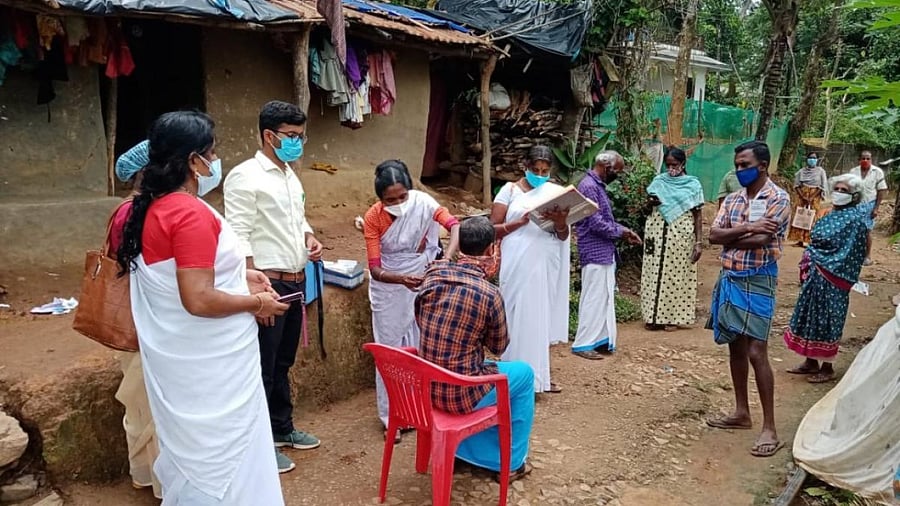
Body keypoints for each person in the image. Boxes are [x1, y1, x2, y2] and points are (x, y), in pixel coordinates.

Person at [117, 111, 288, 504]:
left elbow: (180, 273)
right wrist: (256, 302)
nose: (215, 162)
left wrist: (241, 278)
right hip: (213, 370)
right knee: (226, 459)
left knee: (198, 458)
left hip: (186, 367)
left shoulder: (151, 208)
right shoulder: (188, 212)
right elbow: (197, 298)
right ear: (194, 160)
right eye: (213, 153)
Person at [223, 100, 323, 473]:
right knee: (262, 367)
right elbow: (239, 236)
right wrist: (257, 297)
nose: (298, 143)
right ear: (269, 135)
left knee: (282, 362)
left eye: (301, 136)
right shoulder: (245, 176)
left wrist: (310, 237)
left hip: (296, 281)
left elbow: (298, 218)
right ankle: (260, 444)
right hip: (269, 283)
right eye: (292, 136)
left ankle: (282, 428)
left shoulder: (288, 175)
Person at [416, 216, 534, 482]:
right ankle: (511, 463)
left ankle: (462, 452)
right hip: (461, 392)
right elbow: (498, 346)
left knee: (488, 373)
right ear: (490, 251)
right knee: (524, 375)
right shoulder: (489, 293)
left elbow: (420, 320)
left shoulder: (432, 275)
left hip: (427, 387)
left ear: (459, 248)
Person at [363, 159, 460, 443]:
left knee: (421, 344)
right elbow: (376, 269)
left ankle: (420, 409)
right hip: (390, 288)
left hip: (424, 278)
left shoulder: (424, 203)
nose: (398, 203)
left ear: (410, 189)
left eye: (402, 196)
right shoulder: (373, 218)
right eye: (390, 199)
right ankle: (391, 415)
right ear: (380, 199)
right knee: (390, 349)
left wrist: (446, 260)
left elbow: (454, 226)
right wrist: (402, 279)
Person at [705, 140, 790, 458]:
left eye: (745, 165)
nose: (739, 170)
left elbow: (763, 240)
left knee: (757, 351)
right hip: (730, 278)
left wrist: (735, 235)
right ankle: (742, 412)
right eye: (737, 165)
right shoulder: (733, 199)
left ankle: (770, 426)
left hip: (758, 279)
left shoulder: (778, 199)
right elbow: (713, 235)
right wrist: (749, 227)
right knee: (735, 347)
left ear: (763, 166)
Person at [490, 145, 571, 392]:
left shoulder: (555, 192)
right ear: (525, 166)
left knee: (538, 317)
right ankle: (511, 378)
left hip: (544, 261)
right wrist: (519, 222)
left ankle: (539, 378)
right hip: (517, 260)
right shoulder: (510, 190)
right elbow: (492, 228)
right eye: (535, 169)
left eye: (545, 170)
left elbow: (563, 234)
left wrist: (560, 223)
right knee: (515, 316)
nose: (539, 174)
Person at [108, 140, 161, 499]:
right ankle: (154, 480)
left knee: (142, 404)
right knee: (146, 403)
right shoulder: (133, 213)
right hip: (141, 321)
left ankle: (146, 475)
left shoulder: (135, 210)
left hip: (138, 319)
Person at [784, 174, 868, 383]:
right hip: (816, 274)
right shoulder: (828, 214)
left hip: (835, 276)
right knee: (810, 314)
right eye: (837, 189)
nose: (839, 193)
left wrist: (826, 262)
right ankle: (810, 361)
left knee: (829, 318)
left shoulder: (856, 221)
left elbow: (854, 252)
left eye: (844, 190)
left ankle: (827, 367)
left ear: (854, 196)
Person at [572, 151, 642, 359]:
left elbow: (603, 220)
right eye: (616, 171)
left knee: (603, 297)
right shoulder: (589, 186)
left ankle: (600, 339)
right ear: (605, 165)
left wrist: (624, 231)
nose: (617, 175)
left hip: (603, 250)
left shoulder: (595, 186)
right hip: (594, 250)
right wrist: (622, 232)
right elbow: (596, 223)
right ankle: (583, 343)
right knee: (593, 297)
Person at [641, 146, 704, 331]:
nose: (671, 168)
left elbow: (698, 214)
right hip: (656, 232)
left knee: (676, 274)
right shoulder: (658, 181)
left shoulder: (693, 185)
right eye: (668, 165)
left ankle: (671, 317)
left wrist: (698, 242)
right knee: (653, 273)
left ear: (683, 163)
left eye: (674, 164)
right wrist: (650, 203)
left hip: (681, 234)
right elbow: (645, 210)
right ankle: (652, 316)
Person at [848, 150, 888, 265]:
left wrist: (876, 208)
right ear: (859, 160)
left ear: (871, 159)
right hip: (855, 205)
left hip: (869, 205)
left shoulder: (877, 172)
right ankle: (853, 255)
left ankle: (867, 256)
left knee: (867, 231)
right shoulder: (853, 172)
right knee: (853, 231)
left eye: (868, 158)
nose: (865, 160)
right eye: (863, 158)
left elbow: (881, 190)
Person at [787, 151, 828, 247]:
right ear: (807, 159)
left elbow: (821, 186)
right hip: (802, 197)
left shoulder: (821, 172)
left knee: (812, 217)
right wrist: (803, 196)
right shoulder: (801, 172)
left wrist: (812, 197)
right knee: (800, 216)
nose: (812, 160)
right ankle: (799, 240)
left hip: (815, 197)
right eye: (810, 158)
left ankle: (809, 240)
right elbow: (796, 186)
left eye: (814, 158)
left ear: (817, 160)